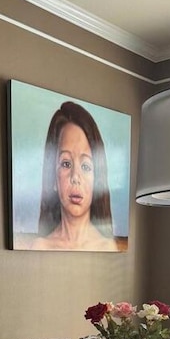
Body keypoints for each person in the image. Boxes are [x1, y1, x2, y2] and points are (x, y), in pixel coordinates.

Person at [30, 101, 117, 252]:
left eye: (85, 166)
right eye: (66, 164)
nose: (75, 177)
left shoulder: (108, 247)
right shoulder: (40, 247)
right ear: (53, 178)